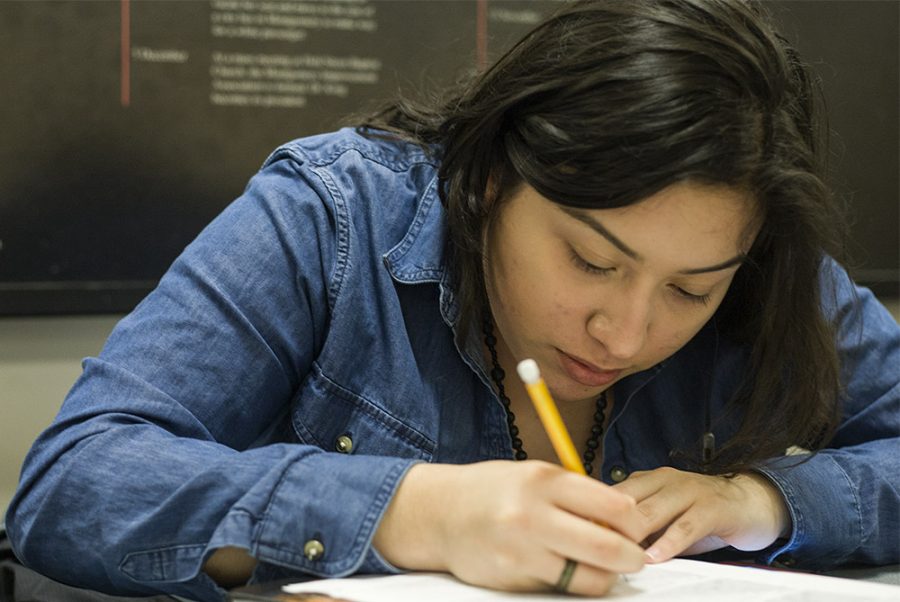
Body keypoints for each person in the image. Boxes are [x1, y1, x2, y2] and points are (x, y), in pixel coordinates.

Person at [6, 0, 899, 600]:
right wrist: (412, 512)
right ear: (484, 185)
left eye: (690, 292)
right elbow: (70, 484)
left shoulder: (767, 267)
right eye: (591, 261)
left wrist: (766, 501)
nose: (625, 332)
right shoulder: (336, 214)